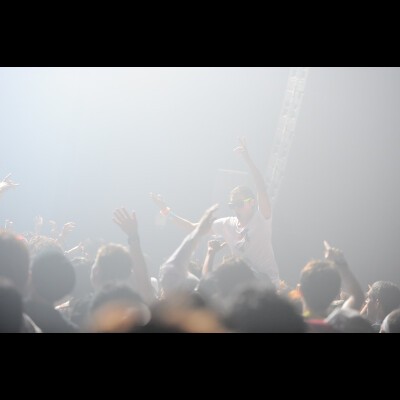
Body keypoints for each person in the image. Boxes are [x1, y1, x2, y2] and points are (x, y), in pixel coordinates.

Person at [151, 138, 280, 287]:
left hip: (269, 283)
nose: (235, 209)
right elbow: (193, 228)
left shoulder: (262, 218)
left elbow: (261, 188)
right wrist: (166, 211)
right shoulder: (227, 224)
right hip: (246, 286)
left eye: (239, 204)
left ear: (251, 203)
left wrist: (247, 159)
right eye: (232, 205)